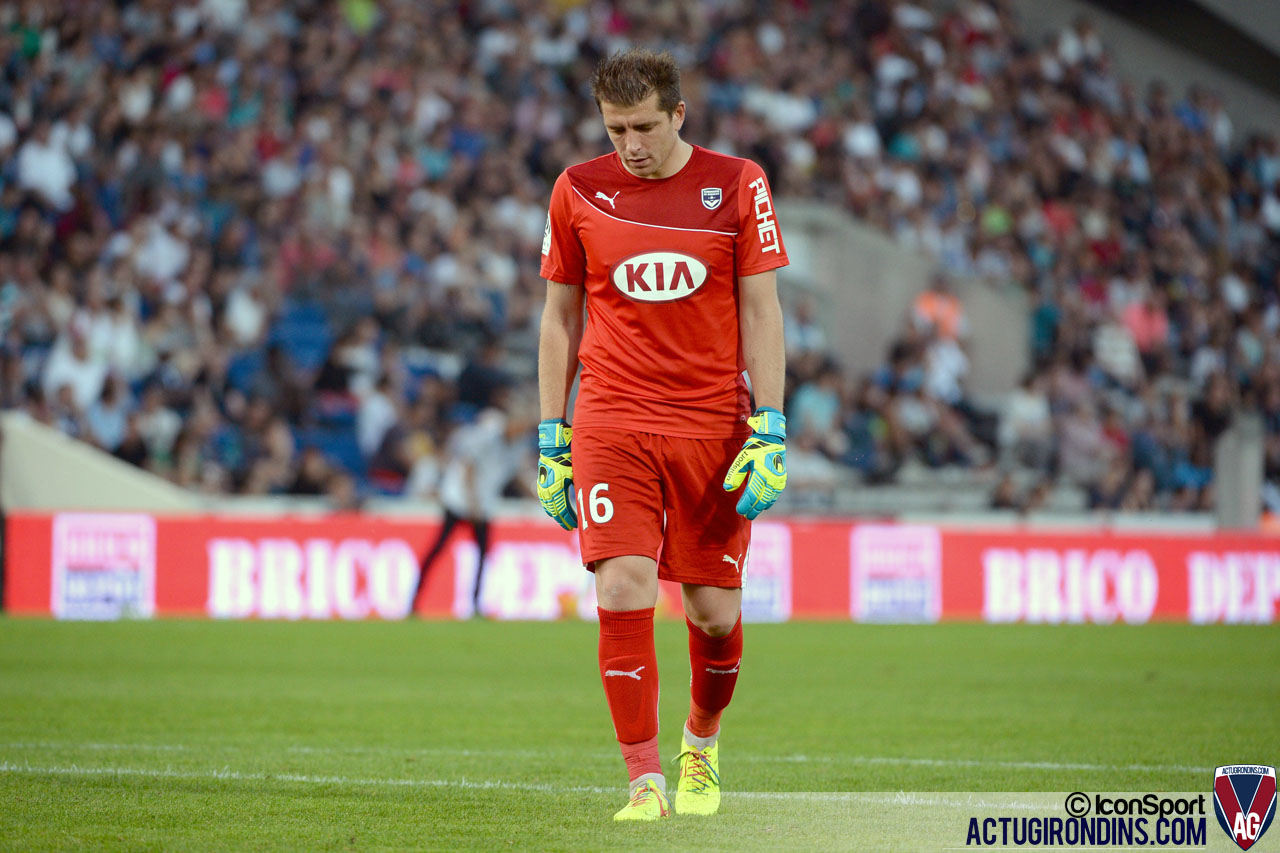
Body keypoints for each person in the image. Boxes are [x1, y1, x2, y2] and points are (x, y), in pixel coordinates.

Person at [536, 49, 789, 821]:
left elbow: (761, 311)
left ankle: (701, 743)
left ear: (678, 115)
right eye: (616, 129)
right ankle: (643, 779)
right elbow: (558, 318)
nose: (631, 144)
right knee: (621, 586)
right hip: (613, 417)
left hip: (712, 422)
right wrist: (553, 434)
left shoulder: (739, 182)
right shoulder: (578, 190)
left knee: (713, 612)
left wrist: (770, 426)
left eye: (644, 126)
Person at [410, 388, 533, 617]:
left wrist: (537, 498)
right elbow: (468, 466)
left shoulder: (517, 446)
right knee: (438, 550)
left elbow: (516, 475)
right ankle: (413, 600)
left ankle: (475, 604)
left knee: (483, 555)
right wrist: (472, 501)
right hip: (459, 500)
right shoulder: (488, 434)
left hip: (482, 505)